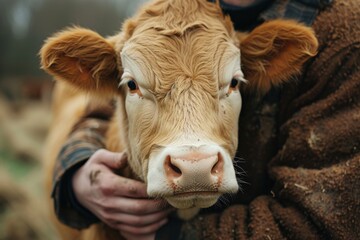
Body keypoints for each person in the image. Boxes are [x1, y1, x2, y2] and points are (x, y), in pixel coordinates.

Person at [51, 0, 360, 239]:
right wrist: (78, 172)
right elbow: (103, 107)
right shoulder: (167, 13)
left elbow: (326, 221)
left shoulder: (344, 33)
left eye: (233, 82)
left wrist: (168, 235)